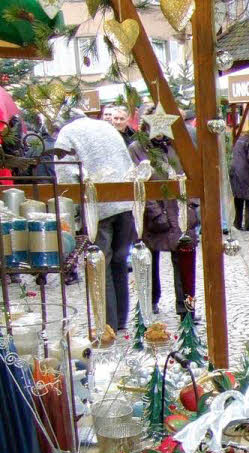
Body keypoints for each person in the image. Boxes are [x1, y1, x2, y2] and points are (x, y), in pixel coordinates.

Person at [54, 109, 136, 330]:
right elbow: (127, 161)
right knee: (119, 261)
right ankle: (120, 320)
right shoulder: (107, 127)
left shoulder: (67, 133)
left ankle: (107, 324)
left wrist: (72, 217)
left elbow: (65, 178)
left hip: (98, 206)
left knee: (101, 265)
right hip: (125, 201)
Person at [129, 114, 200, 319]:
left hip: (180, 211)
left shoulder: (180, 145)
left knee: (185, 263)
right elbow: (138, 182)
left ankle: (187, 308)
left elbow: (193, 173)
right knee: (149, 260)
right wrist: (154, 212)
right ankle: (149, 303)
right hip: (154, 215)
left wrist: (192, 206)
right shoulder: (137, 148)